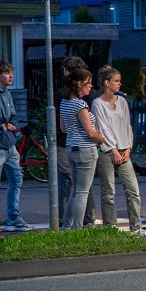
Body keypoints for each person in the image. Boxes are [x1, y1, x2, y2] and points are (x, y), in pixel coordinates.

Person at [91, 66, 146, 235]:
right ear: (106, 83)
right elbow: (103, 128)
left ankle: (136, 227)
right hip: (107, 151)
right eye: (116, 81)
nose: (119, 84)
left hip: (124, 150)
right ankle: (111, 228)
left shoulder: (122, 101)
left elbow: (127, 125)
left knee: (133, 190)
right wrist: (113, 150)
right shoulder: (97, 103)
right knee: (108, 191)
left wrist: (128, 147)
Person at [0, 60, 30, 233]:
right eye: (7, 73)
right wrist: (1, 127)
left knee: (16, 178)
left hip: (10, 145)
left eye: (11, 72)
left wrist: (12, 125)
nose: (11, 76)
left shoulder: (7, 94)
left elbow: (13, 115)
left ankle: (13, 217)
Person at [56, 56, 100, 226]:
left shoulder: (64, 102)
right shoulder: (80, 104)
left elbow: (63, 128)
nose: (91, 86)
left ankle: (67, 225)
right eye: (88, 83)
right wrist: (101, 138)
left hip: (70, 147)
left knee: (74, 192)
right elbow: (90, 132)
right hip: (85, 148)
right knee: (82, 191)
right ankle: (78, 227)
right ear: (80, 84)